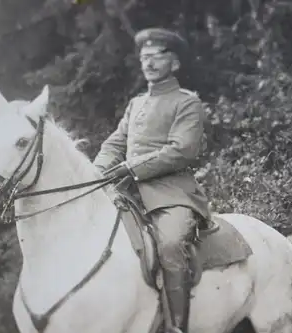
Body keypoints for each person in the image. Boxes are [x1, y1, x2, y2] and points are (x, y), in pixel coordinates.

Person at [93, 27, 210, 333]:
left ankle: (176, 326)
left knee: (170, 244)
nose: (149, 62)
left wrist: (131, 168)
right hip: (127, 193)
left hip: (172, 195)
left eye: (157, 56)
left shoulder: (187, 102)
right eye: (144, 57)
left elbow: (181, 151)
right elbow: (115, 144)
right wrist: (97, 170)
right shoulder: (136, 104)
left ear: (175, 64)